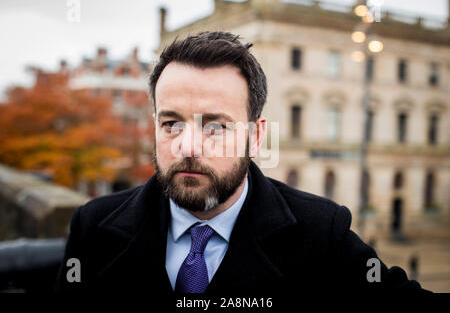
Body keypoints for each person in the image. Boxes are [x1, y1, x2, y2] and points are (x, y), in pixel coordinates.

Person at [55, 31, 428, 297]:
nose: (188, 146)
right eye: (171, 124)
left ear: (256, 136)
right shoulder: (93, 227)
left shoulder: (320, 233)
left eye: (215, 126)